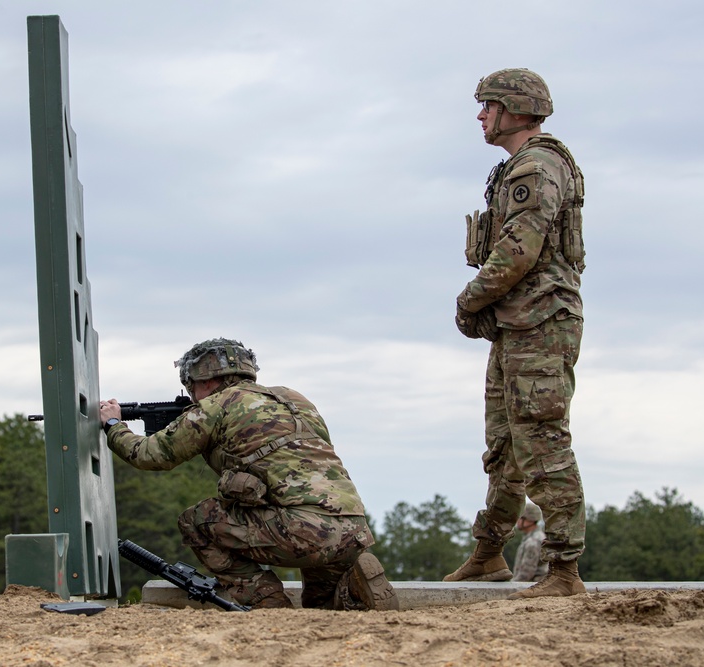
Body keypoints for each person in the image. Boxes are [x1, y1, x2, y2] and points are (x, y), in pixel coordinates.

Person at [100, 338, 399, 611]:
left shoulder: (216, 406)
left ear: (205, 380)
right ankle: (355, 587)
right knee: (320, 607)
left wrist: (113, 424)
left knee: (197, 521)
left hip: (302, 531)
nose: (192, 395)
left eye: (191, 386)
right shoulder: (294, 400)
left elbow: (149, 454)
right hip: (353, 530)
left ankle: (267, 602)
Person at [443, 68, 587, 599]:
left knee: (542, 442)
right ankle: (487, 554)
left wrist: (469, 299)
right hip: (519, 323)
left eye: (487, 105)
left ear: (515, 110)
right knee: (505, 449)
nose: (480, 115)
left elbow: (518, 251)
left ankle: (564, 570)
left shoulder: (538, 166)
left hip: (539, 323)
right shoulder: (519, 169)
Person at [511, 503, 549, 583]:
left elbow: (526, 574)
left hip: (532, 587)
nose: (517, 521)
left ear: (530, 520)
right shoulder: (536, 538)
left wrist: (511, 586)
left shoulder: (533, 542)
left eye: (520, 517)